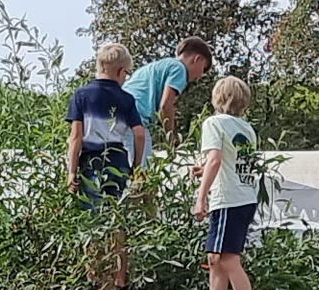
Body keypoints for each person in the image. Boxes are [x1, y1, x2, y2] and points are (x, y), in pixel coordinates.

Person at [193, 74, 266, 290]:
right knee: (215, 259)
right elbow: (230, 162)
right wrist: (206, 170)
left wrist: (200, 198)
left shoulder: (214, 123)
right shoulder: (246, 128)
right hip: (244, 197)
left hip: (227, 199)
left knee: (228, 259)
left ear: (217, 99)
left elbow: (215, 159)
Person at [64, 42, 145, 195]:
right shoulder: (127, 99)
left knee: (92, 213)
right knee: (113, 211)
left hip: (91, 163)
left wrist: (72, 172)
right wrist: (136, 166)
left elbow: (75, 136)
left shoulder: (81, 95)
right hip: (118, 162)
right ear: (121, 71)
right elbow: (139, 134)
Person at [119, 39, 211, 159]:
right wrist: (171, 140)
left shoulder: (160, 65)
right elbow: (166, 106)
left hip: (117, 116)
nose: (200, 76)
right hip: (135, 121)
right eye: (203, 69)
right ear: (197, 59)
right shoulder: (179, 69)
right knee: (140, 172)